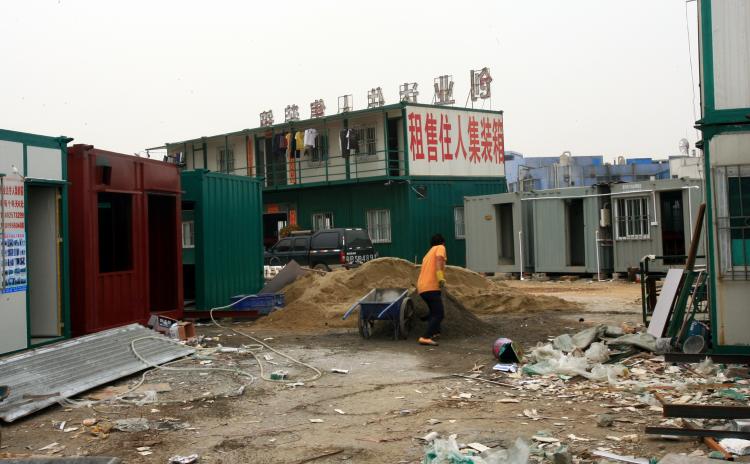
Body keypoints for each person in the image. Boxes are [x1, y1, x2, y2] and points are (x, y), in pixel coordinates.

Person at [416, 234, 447, 346]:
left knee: (434, 312)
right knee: (439, 314)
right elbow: (439, 259)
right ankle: (425, 337)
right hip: (431, 286)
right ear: (442, 242)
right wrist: (440, 276)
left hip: (422, 287)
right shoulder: (440, 248)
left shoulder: (428, 254)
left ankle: (434, 331)